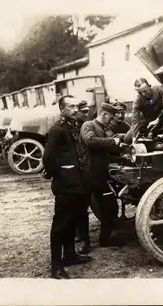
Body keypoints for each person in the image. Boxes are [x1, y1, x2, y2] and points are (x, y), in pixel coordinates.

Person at [42, 95, 93, 279]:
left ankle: (70, 255)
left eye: (75, 106)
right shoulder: (57, 130)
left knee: (73, 220)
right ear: (62, 109)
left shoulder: (74, 126)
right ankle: (56, 267)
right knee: (60, 225)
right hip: (66, 185)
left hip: (78, 184)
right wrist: (62, 173)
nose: (74, 109)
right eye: (70, 107)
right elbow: (48, 159)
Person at [80, 103, 126, 247]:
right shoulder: (88, 125)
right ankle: (84, 241)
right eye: (110, 117)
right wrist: (113, 141)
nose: (111, 121)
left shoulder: (105, 129)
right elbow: (91, 141)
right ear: (104, 114)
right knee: (81, 210)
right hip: (86, 175)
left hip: (100, 175)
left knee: (109, 206)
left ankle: (105, 238)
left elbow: (109, 149)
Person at [124, 78, 163, 143]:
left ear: (149, 86)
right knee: (127, 139)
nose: (143, 94)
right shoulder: (137, 100)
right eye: (140, 93)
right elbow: (135, 121)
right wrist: (134, 139)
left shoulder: (160, 90)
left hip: (162, 117)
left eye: (145, 91)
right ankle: (147, 135)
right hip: (147, 121)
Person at [72, 99, 92, 255]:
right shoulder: (71, 128)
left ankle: (85, 240)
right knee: (75, 205)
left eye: (87, 111)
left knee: (82, 206)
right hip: (73, 171)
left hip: (85, 171)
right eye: (83, 111)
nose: (86, 114)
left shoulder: (86, 126)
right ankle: (79, 236)